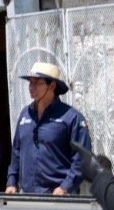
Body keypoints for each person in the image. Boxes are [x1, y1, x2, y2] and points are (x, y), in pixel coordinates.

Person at [6, 61, 91, 196]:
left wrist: (65, 187)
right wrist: (11, 181)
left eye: (37, 83)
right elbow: (17, 151)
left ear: (52, 86)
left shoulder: (72, 117)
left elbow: (82, 158)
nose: (31, 87)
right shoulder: (25, 114)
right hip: (27, 196)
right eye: (30, 82)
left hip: (60, 197)